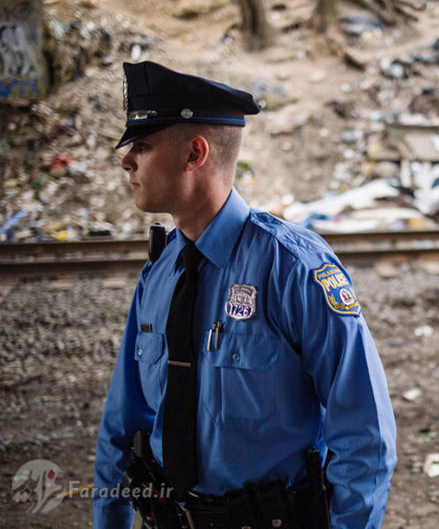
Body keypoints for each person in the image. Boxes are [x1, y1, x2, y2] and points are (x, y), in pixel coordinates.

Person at [93, 61, 397, 529]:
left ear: (195, 153)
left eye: (144, 145)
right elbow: (123, 420)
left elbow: (365, 435)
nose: (126, 160)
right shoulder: (160, 271)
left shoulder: (293, 268)